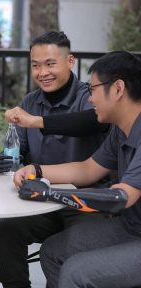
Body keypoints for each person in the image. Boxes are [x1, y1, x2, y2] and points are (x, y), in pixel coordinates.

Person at [0, 31, 111, 288]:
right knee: (5, 232)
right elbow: (18, 154)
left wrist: (36, 121)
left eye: (50, 64)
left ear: (70, 61)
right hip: (40, 200)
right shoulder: (30, 102)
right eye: (36, 65)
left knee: (64, 252)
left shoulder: (89, 97)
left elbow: (92, 121)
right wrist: (3, 160)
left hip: (85, 203)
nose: (42, 72)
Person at [14, 50, 141, 288]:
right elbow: (87, 169)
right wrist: (36, 170)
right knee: (53, 251)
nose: (90, 99)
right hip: (131, 227)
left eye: (93, 90)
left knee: (76, 271)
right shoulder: (120, 129)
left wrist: (47, 192)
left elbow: (120, 197)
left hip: (134, 233)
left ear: (118, 89)